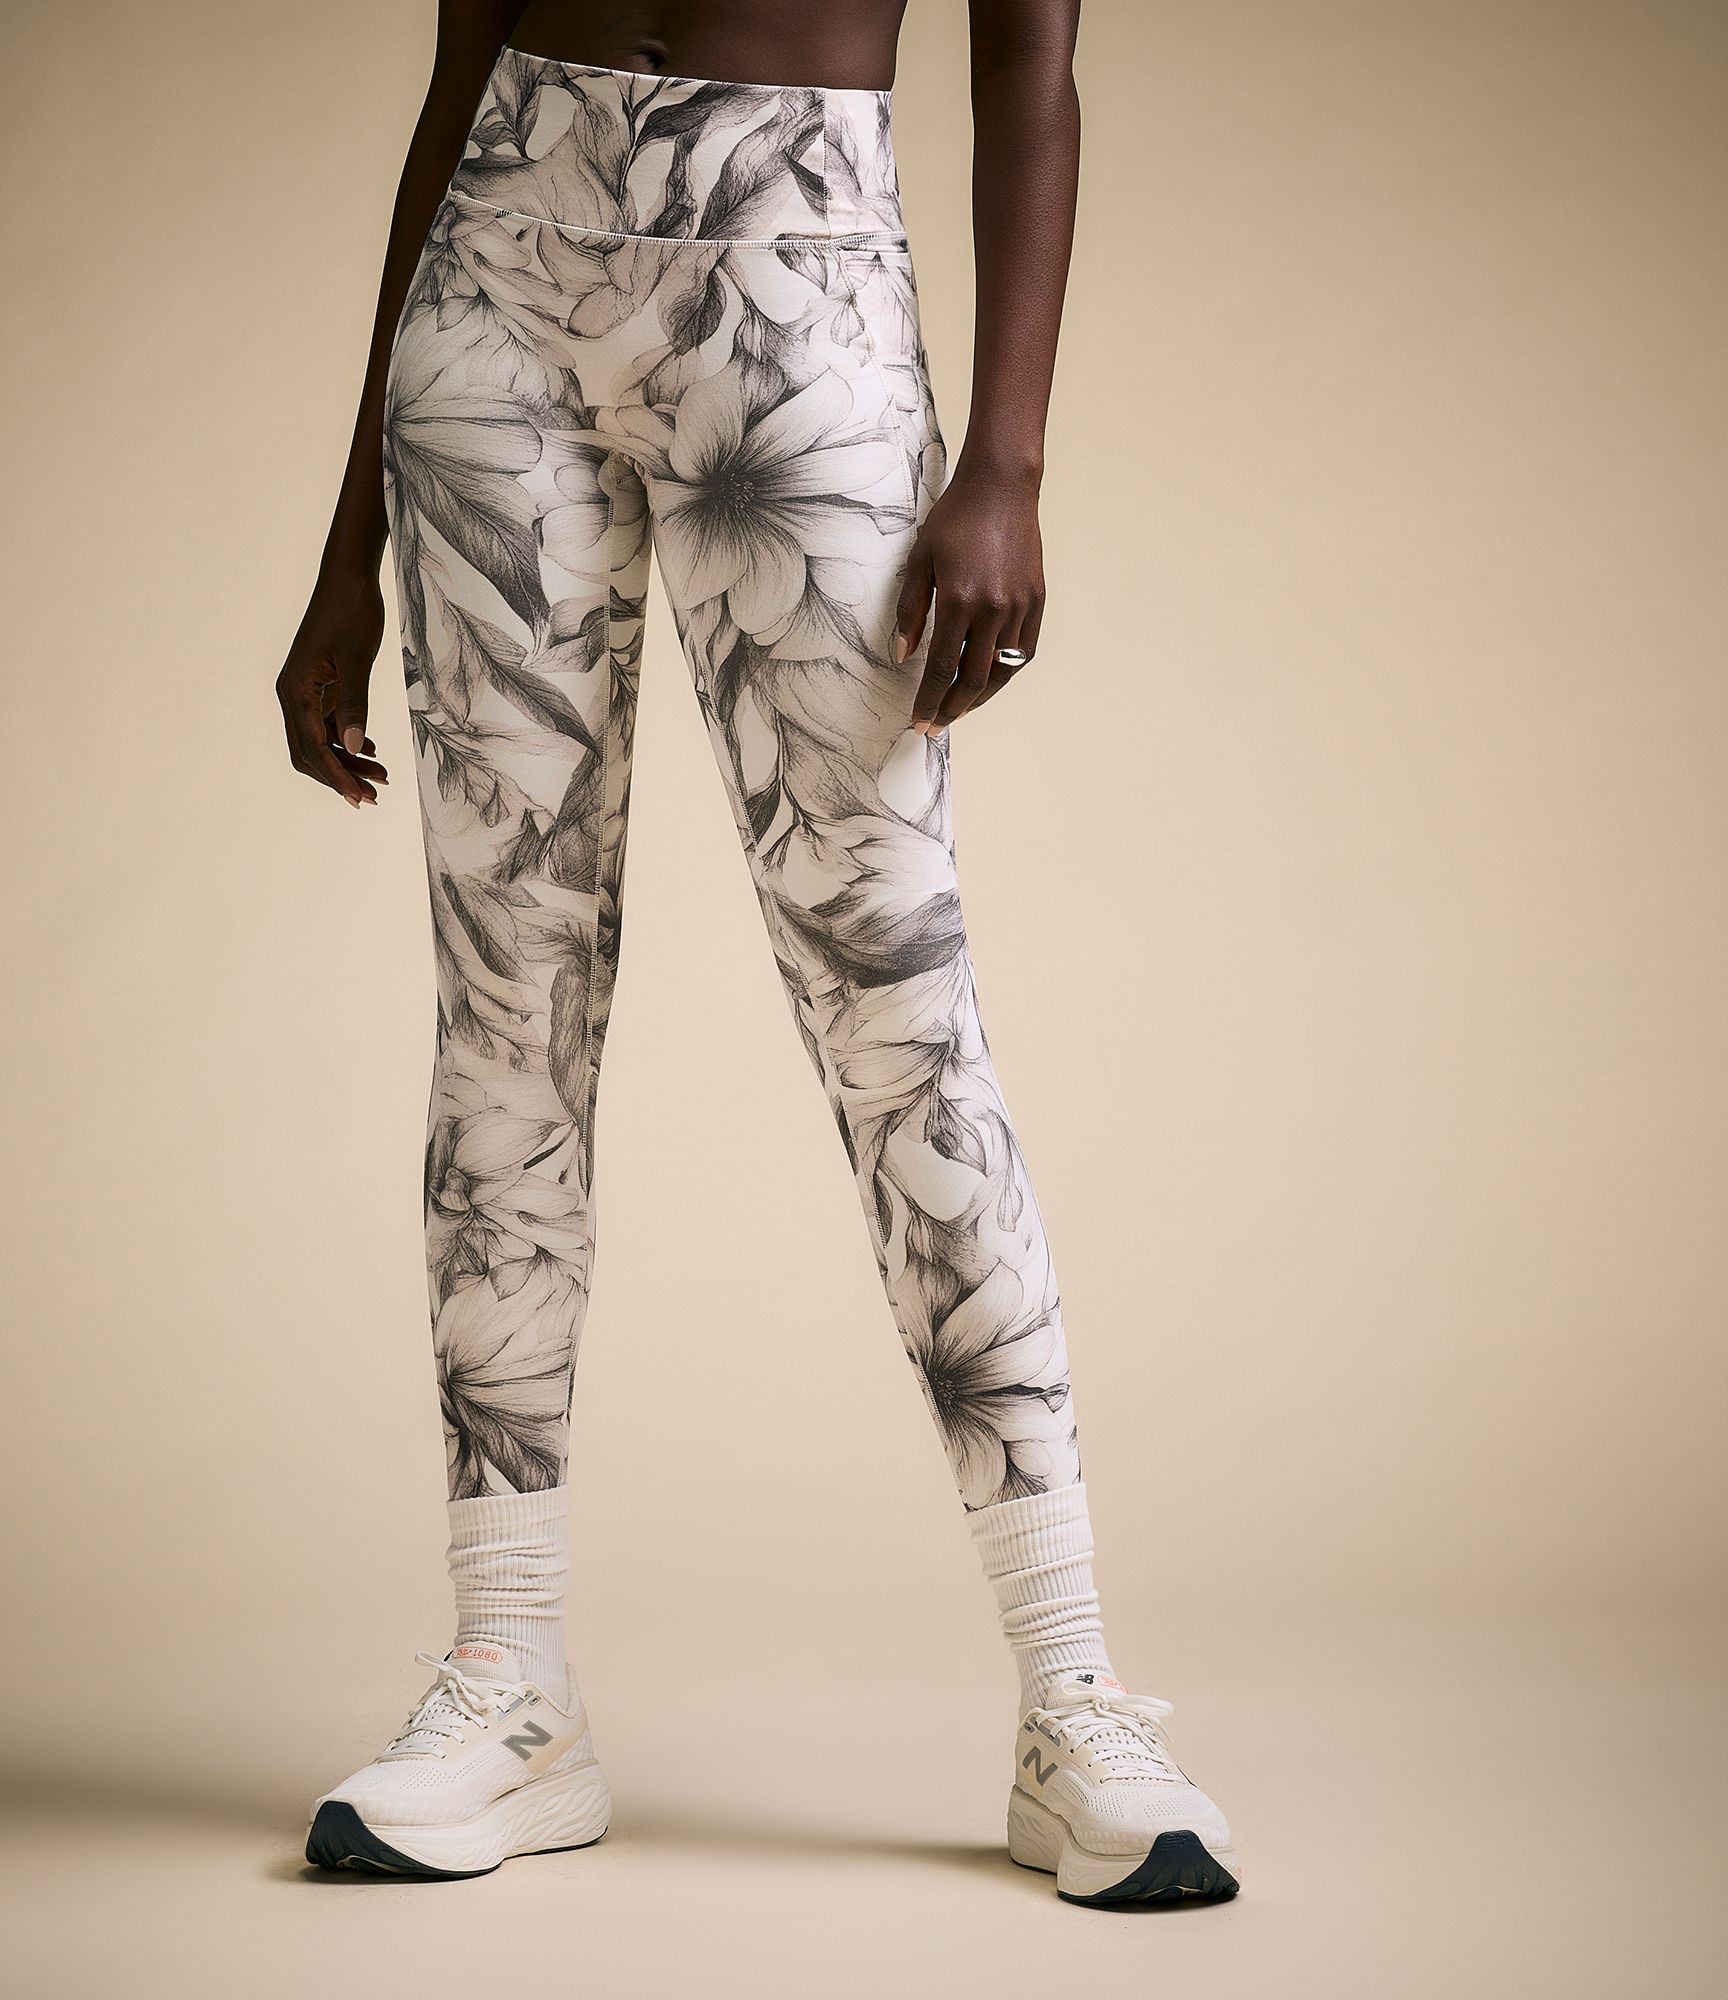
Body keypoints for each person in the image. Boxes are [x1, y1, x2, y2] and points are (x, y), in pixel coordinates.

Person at [277, 0, 1237, 1905]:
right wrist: (345, 538)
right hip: (496, 281)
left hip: (797, 271)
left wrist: (1010, 463)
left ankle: (1074, 1697)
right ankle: (510, 1678)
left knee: (897, 1015)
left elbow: (1029, 65)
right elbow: (466, 50)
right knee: (505, 1006)